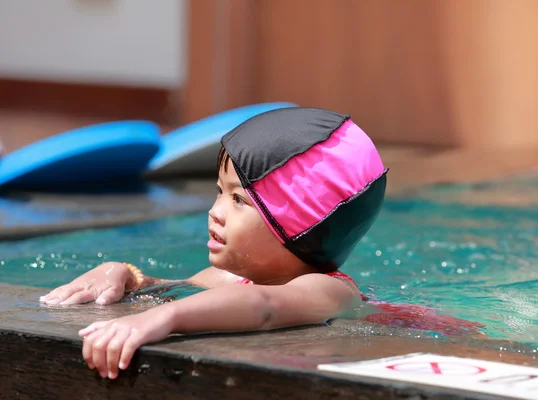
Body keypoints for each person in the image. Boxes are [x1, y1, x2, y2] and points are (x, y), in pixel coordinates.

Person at [39, 107, 483, 380]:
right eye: (218, 191)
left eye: (238, 199)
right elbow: (172, 284)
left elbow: (266, 309)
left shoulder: (329, 289)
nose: (215, 211)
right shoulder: (230, 277)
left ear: (298, 223)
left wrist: (164, 320)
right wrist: (125, 275)